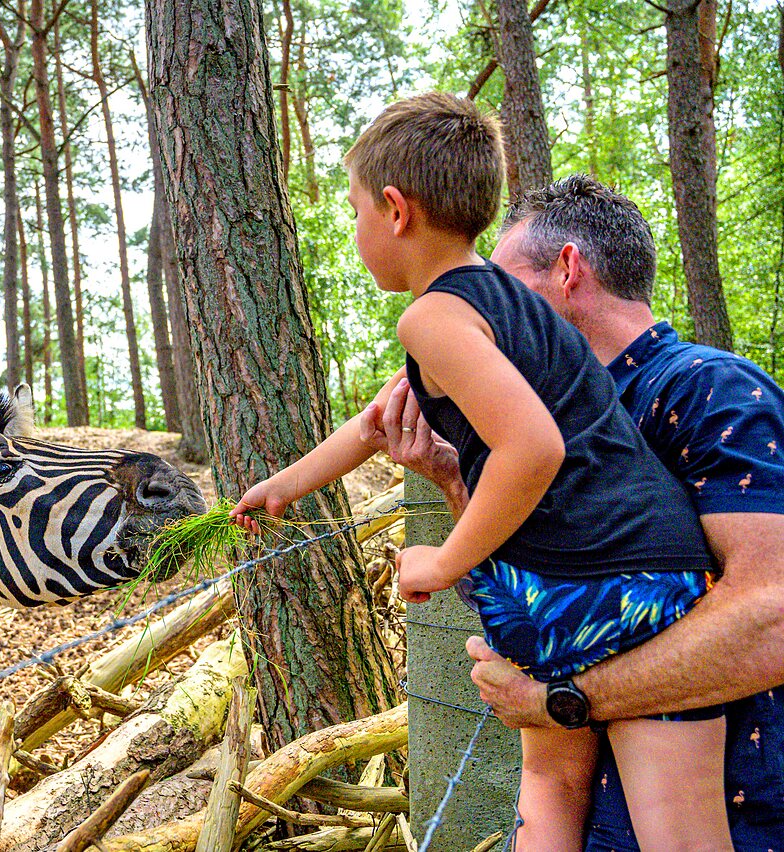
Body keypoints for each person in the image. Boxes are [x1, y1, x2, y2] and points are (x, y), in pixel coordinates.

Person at [229, 94, 731, 850]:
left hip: (581, 577)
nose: (357, 230)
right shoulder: (499, 301)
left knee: (554, 791)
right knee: (672, 829)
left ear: (396, 211)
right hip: (653, 569)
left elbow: (534, 449)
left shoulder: (430, 318)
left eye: (357, 210)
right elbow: (376, 422)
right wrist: (285, 486)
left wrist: (446, 557)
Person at [369, 174, 784, 849]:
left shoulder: (709, 390)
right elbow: (545, 596)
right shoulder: (540, 418)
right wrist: (455, 475)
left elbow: (774, 618)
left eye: (495, 285)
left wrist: (560, 701)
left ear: (567, 271)